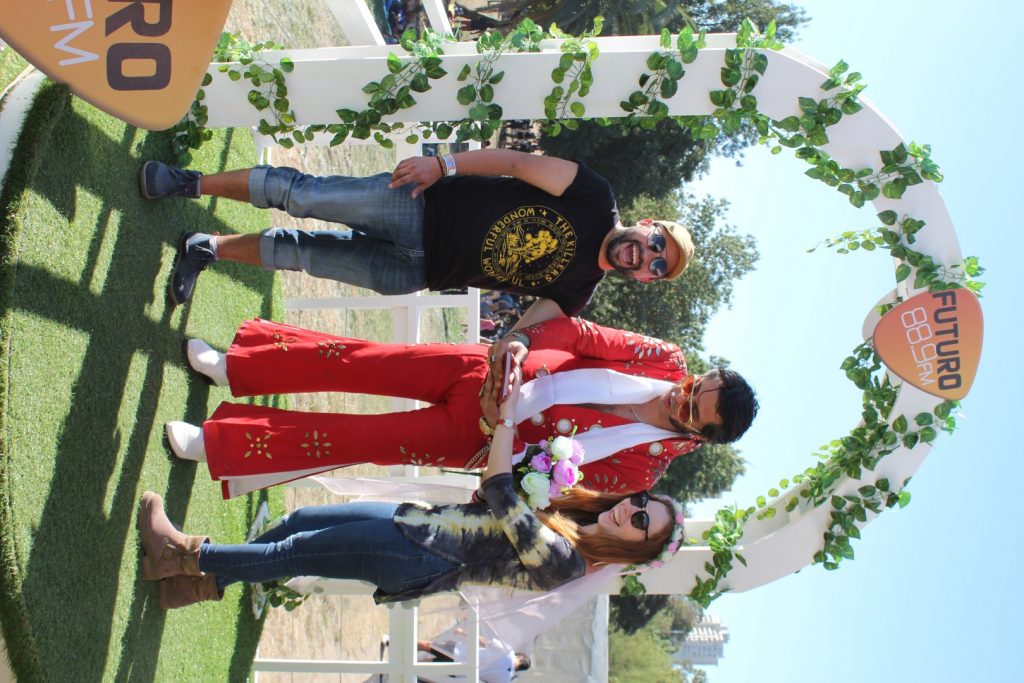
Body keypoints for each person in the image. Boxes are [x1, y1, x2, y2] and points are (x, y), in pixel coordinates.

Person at [137, 368, 685, 612]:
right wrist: (536, 469)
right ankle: (196, 587)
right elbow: (490, 499)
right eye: (640, 503)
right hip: (417, 524)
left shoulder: (568, 564)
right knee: (300, 524)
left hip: (418, 556)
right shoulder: (572, 518)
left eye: (642, 522)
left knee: (294, 551)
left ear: (636, 549)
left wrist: (509, 420)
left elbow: (498, 490)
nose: (630, 510)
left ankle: (181, 556)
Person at [164, 315, 757, 499]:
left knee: (354, 441)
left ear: (699, 437)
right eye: (693, 385)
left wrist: (506, 436)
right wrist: (521, 344)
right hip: (482, 366)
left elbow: (547, 485)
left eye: (690, 410)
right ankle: (236, 366)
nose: (679, 394)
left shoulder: (641, 470)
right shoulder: (661, 357)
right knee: (360, 359)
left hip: (473, 437)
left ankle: (216, 444)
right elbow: (579, 334)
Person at [139, 149, 696, 338]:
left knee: (301, 255)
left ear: (644, 280)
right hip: (419, 206)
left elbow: (519, 336)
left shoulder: (578, 294)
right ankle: (187, 183)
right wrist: (441, 164)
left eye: (656, 265)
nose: (646, 255)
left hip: (416, 273)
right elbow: (514, 162)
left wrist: (510, 359)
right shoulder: (595, 197)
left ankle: (206, 248)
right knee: (301, 194)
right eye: (657, 243)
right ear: (648, 223)